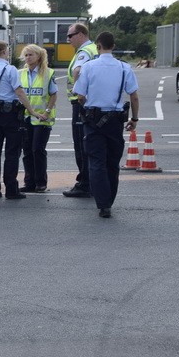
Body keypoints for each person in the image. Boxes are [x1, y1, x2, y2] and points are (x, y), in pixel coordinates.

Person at [72, 31, 140, 218]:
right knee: (112, 162)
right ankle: (109, 199)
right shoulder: (125, 68)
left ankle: (103, 204)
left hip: (93, 120)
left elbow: (80, 96)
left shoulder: (88, 67)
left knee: (96, 161)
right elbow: (133, 96)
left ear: (98, 46)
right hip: (115, 120)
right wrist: (134, 119)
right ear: (114, 46)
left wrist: (87, 106)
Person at [0, 41, 46, 199]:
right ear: (4, 52)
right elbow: (19, 92)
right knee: (12, 152)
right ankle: (11, 190)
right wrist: (31, 110)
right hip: (10, 114)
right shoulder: (10, 69)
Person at [62, 23, 99, 198]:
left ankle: (84, 184)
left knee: (80, 144)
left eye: (71, 35)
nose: (68, 39)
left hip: (81, 103)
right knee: (91, 144)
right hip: (93, 103)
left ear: (82, 34)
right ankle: (91, 182)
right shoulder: (94, 49)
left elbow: (77, 71)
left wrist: (79, 92)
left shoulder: (84, 52)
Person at [18, 44, 57, 193]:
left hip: (42, 118)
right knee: (27, 151)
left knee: (37, 150)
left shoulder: (47, 73)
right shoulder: (20, 73)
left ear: (38, 56)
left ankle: (41, 182)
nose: (28, 58)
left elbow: (53, 94)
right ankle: (29, 182)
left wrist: (47, 111)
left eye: (31, 55)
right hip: (26, 118)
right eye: (26, 55)